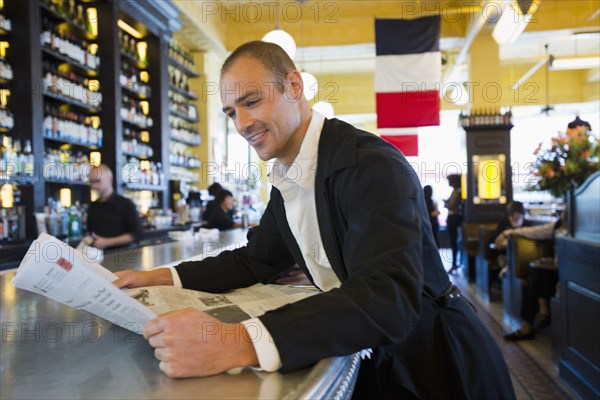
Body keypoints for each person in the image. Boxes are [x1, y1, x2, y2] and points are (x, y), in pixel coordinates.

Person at [113, 41, 515, 399]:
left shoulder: (371, 164)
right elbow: (254, 260)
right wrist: (159, 277)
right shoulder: (287, 177)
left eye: (252, 101)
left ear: (293, 86)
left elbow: (389, 296)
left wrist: (238, 342)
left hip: (438, 361)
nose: (242, 124)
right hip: (377, 354)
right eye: (232, 112)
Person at [494, 211, 565, 340]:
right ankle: (539, 316)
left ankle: (533, 323)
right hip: (558, 271)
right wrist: (506, 233)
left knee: (536, 275)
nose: (565, 213)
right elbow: (533, 231)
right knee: (534, 274)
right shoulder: (556, 226)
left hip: (569, 274)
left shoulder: (580, 229)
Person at [86, 164, 142, 250]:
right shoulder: (93, 206)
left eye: (97, 181)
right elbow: (90, 233)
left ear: (110, 180)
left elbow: (137, 234)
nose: (93, 186)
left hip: (123, 257)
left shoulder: (126, 204)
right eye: (91, 182)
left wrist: (106, 242)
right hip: (97, 258)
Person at [493, 201, 531, 271]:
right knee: (512, 264)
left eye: (519, 214)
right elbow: (496, 244)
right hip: (504, 255)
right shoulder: (503, 223)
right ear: (511, 213)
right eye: (516, 213)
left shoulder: (527, 224)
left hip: (523, 255)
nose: (517, 216)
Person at [444, 174, 462, 274]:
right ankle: (455, 263)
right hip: (454, 218)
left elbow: (451, 206)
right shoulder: (457, 191)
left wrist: (446, 203)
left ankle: (454, 264)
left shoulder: (456, 192)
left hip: (453, 218)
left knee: (453, 242)